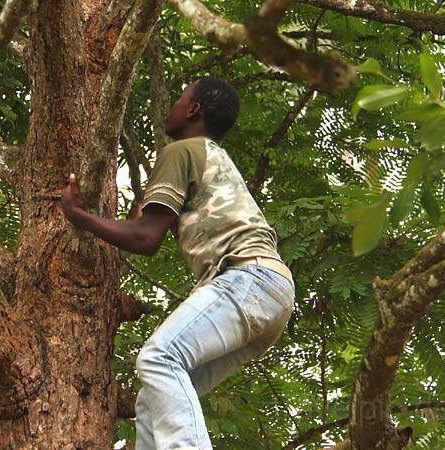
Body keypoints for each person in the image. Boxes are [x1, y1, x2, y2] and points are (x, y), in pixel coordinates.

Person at [60, 77, 295, 450]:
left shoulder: (183, 150)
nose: (171, 106)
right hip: (271, 294)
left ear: (193, 110)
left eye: (179, 99)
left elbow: (145, 238)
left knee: (159, 357)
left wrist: (80, 216)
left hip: (247, 278)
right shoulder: (214, 159)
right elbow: (152, 225)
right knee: (153, 400)